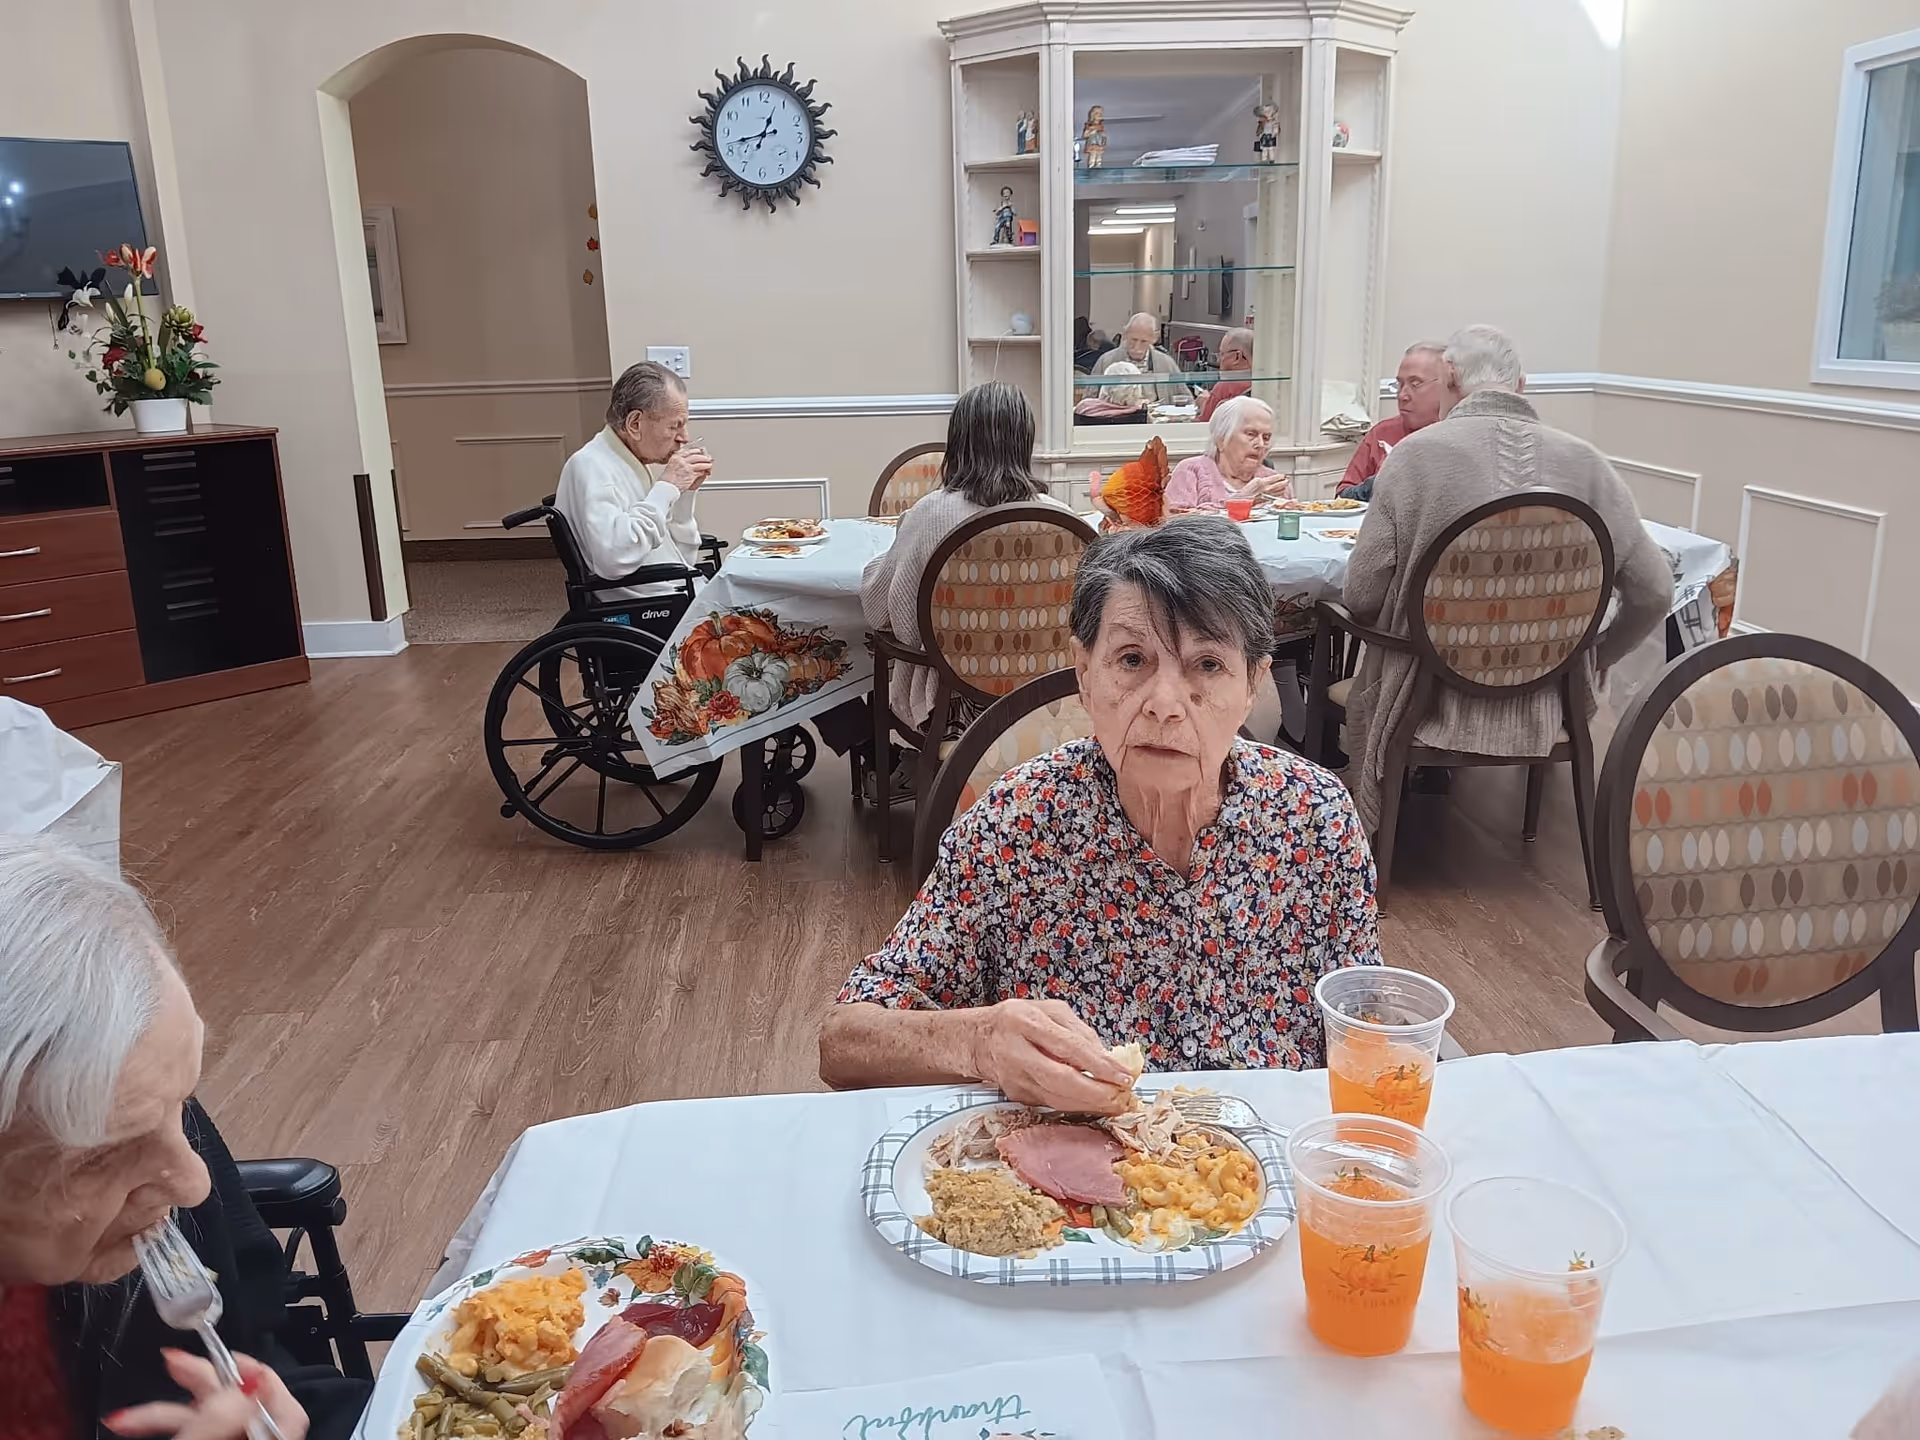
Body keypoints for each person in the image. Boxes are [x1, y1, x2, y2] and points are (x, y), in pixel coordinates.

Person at [819, 517, 1382, 1104]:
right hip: (1069, 1179)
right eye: (1133, 659)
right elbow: (844, 1042)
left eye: (1208, 664)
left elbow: (1369, 1027)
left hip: (1269, 1172)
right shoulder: (1019, 825)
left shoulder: (1314, 817)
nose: (1164, 704)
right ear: (1085, 674)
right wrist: (979, 1039)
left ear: (1253, 683)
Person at [0, 835, 369, 1440]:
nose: (195, 1182)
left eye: (182, 1104)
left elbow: (267, 1358)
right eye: (103, 1156)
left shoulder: (141, 1118)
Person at [1339, 324, 1673, 834]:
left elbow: (1362, 596)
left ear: (1449, 376)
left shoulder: (1414, 457)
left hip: (1425, 700)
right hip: (1546, 703)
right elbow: (1655, 589)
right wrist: (1593, 654)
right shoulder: (1585, 464)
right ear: (1522, 384)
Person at [858, 383, 1070, 744]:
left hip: (950, 705)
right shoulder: (1059, 518)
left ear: (958, 441)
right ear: (1025, 443)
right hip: (1043, 701)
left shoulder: (930, 514)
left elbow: (878, 609)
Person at [554, 361, 712, 601]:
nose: (684, 437)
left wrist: (683, 493)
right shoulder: (591, 466)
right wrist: (667, 486)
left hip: (677, 588)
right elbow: (615, 558)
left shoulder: (628, 461)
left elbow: (682, 558)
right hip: (656, 605)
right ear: (635, 424)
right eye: (675, 426)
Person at [1336, 341, 1460, 502]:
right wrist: (1378, 484)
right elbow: (1341, 498)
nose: (1402, 395)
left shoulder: (1463, 436)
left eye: (1415, 384)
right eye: (1399, 384)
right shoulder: (1382, 433)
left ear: (1447, 384)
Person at [1165, 396, 1293, 509]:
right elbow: (1178, 526)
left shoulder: (1275, 483)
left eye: (1266, 438)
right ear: (1222, 439)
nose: (1260, 444)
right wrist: (1243, 499)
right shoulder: (1190, 471)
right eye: (1251, 434)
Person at [1091, 313, 1193, 406]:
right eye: (1133, 340)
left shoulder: (1166, 363)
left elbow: (1186, 398)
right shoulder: (1106, 361)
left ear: (1154, 339)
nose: (1137, 347)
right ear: (1125, 334)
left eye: (1144, 341)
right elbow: (1089, 400)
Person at [1197, 327, 1255, 422]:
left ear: (1237, 357)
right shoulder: (1264, 382)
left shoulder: (1226, 387)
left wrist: (1205, 404)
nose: (1219, 360)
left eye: (1222, 354)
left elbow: (1203, 424)